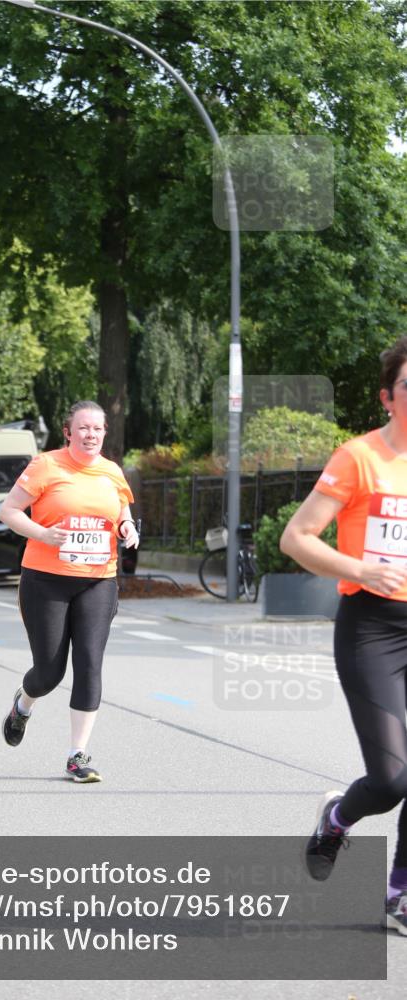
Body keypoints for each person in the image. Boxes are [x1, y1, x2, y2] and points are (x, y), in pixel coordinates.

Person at [280, 336, 407, 936]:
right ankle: (338, 818)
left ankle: (400, 893)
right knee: (391, 780)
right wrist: (359, 569)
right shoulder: (358, 458)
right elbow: (297, 537)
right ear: (388, 397)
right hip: (373, 628)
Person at [0, 400, 139, 783]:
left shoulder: (112, 472)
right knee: (49, 672)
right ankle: (23, 705)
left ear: (104, 433)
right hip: (46, 580)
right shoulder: (46, 466)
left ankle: (77, 756)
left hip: (98, 579)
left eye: (98, 429)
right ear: (68, 432)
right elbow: (8, 511)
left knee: (90, 663)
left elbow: (122, 512)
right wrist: (42, 533)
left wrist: (128, 529)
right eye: (84, 428)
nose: (91, 435)